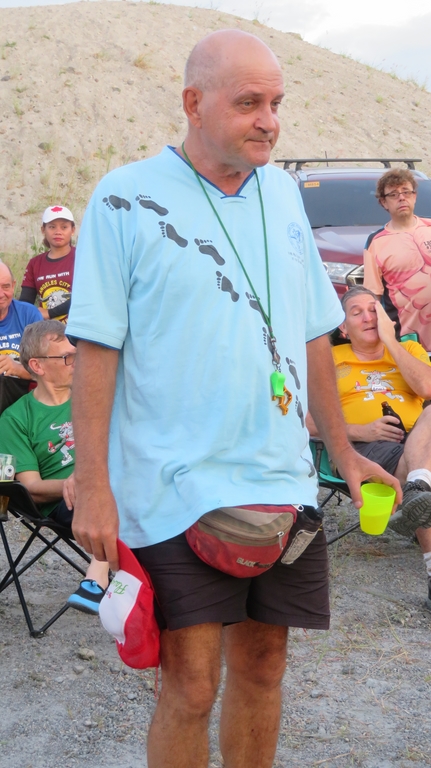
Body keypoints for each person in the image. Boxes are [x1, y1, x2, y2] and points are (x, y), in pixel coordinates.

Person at [66, 30, 401, 768]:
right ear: (193, 103)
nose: (268, 121)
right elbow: (96, 349)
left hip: (280, 477)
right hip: (170, 484)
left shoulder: (282, 193)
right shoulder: (124, 197)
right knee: (189, 685)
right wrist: (92, 484)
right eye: (249, 103)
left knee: (264, 666)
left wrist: (340, 450)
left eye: (276, 103)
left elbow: (313, 330)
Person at [311, 286, 431, 608]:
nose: (368, 317)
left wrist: (391, 342)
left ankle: (417, 487)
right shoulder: (329, 358)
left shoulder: (409, 350)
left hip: (418, 442)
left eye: (373, 310)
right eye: (357, 312)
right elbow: (304, 418)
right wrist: (360, 431)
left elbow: (427, 387)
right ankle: (419, 485)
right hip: (364, 452)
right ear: (342, 327)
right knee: (425, 469)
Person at [0, 320, 109, 614]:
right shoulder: (15, 419)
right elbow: (31, 488)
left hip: (115, 483)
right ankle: (100, 579)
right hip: (67, 502)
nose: (76, 362)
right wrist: (78, 482)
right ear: (38, 365)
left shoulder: (94, 398)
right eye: (67, 357)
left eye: (77, 354)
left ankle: (101, 579)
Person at [363, 168, 431, 351]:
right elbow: (373, 297)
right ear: (383, 202)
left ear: (415, 196)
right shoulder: (376, 242)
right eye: (393, 194)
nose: (401, 198)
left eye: (406, 192)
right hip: (410, 342)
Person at [19, 206, 76, 323]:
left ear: (73, 230)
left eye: (64, 227)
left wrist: (50, 313)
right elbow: (25, 302)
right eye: (52, 227)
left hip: (78, 328)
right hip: (47, 330)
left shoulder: (82, 258)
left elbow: (87, 295)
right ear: (43, 230)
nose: (58, 232)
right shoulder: (35, 263)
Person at [0, 260, 42, 380]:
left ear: (13, 286)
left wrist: (16, 368)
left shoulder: (29, 314)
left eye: (6, 287)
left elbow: (45, 370)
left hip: (22, 387)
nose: (1, 294)